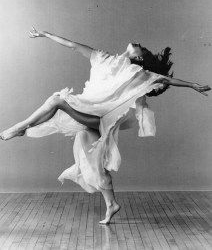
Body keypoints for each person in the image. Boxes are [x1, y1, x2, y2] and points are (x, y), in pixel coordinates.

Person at [0, 27, 211, 224]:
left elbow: (164, 80)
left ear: (138, 57)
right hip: (88, 113)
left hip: (99, 118)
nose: (137, 43)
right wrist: (46, 34)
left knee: (57, 100)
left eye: (141, 48)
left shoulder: (136, 73)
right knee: (93, 165)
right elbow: (73, 45)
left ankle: (20, 128)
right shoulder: (103, 58)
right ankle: (112, 204)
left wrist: (193, 85)